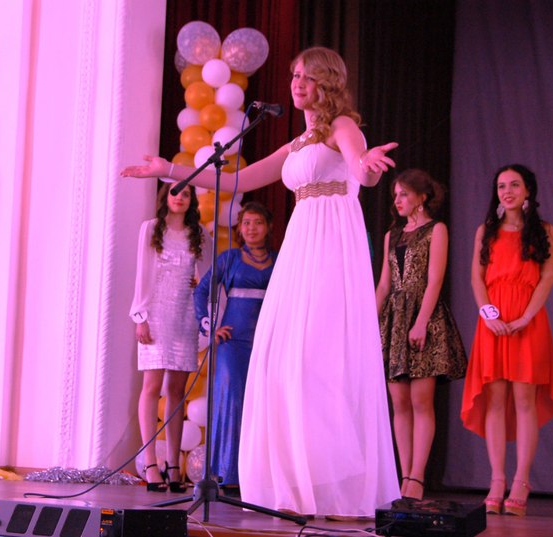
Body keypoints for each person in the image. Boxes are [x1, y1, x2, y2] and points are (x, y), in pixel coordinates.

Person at [122, 46, 400, 517]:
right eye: (294, 75)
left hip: (330, 250)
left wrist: (368, 166)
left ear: (328, 82)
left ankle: (338, 487)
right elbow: (237, 181)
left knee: (320, 361)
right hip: (299, 250)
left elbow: (361, 170)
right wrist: (169, 170)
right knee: (286, 364)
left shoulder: (342, 127)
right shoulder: (298, 143)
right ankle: (302, 483)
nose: (297, 83)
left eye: (307, 77)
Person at [460, 164, 553, 517]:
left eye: (515, 185)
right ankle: (497, 480)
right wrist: (490, 315)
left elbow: (547, 278)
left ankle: (521, 481)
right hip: (493, 323)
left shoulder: (545, 231)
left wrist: (525, 318)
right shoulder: (485, 231)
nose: (507, 191)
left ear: (528, 190)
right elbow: (476, 278)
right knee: (495, 401)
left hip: (528, 322)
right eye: (501, 186)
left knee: (525, 401)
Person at [375, 169, 467, 501]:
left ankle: (418, 476)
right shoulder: (392, 234)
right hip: (394, 320)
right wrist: (369, 323)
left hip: (423, 316)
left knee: (420, 401)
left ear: (422, 197)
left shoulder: (436, 229)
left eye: (404, 194)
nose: (397, 200)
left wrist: (421, 322)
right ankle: (404, 475)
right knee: (399, 402)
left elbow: (434, 280)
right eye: (395, 195)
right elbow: (384, 284)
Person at [130, 181, 212, 493]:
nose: (180, 197)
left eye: (187, 193)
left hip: (185, 315)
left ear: (192, 200)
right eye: (175, 192)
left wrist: (199, 287)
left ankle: (174, 465)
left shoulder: (199, 233)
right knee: (152, 387)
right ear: (166, 197)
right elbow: (142, 273)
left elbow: (208, 274)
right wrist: (140, 315)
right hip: (156, 314)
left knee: (177, 390)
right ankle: (151, 463)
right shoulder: (152, 228)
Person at [193, 201, 277, 495]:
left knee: (263, 404)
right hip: (233, 343)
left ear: (268, 227)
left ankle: (258, 474)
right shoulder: (229, 258)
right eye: (246, 223)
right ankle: (228, 473)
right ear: (240, 228)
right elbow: (201, 290)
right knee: (232, 400)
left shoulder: (279, 260)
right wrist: (208, 326)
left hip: (266, 342)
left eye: (258, 222)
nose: (252, 228)